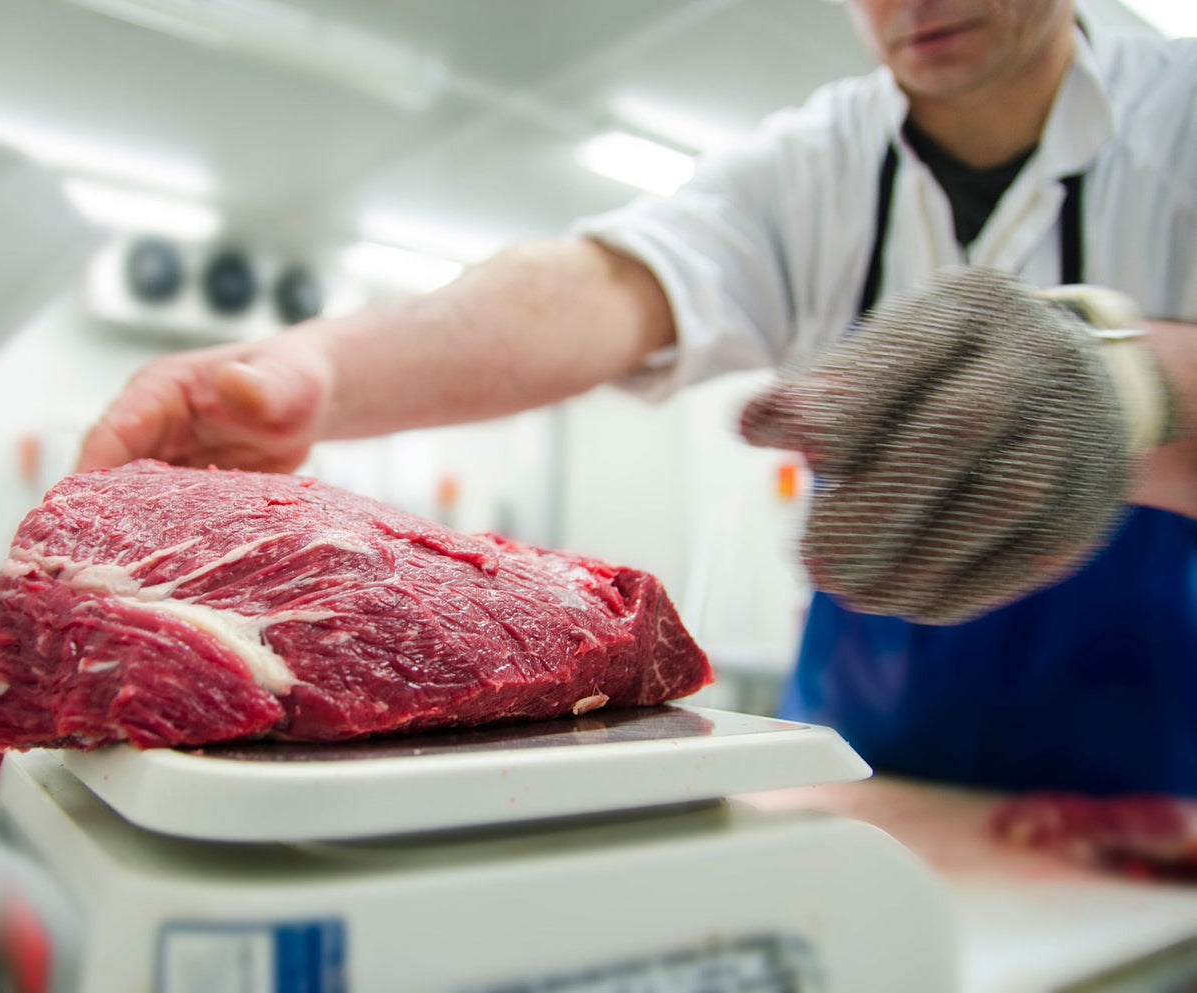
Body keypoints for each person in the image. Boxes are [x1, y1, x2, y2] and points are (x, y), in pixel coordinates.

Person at [77, 0, 1197, 796]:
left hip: (1165, 756)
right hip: (873, 743)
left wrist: (1135, 379)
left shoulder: (1179, 114)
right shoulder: (816, 162)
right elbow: (594, 286)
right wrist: (317, 373)